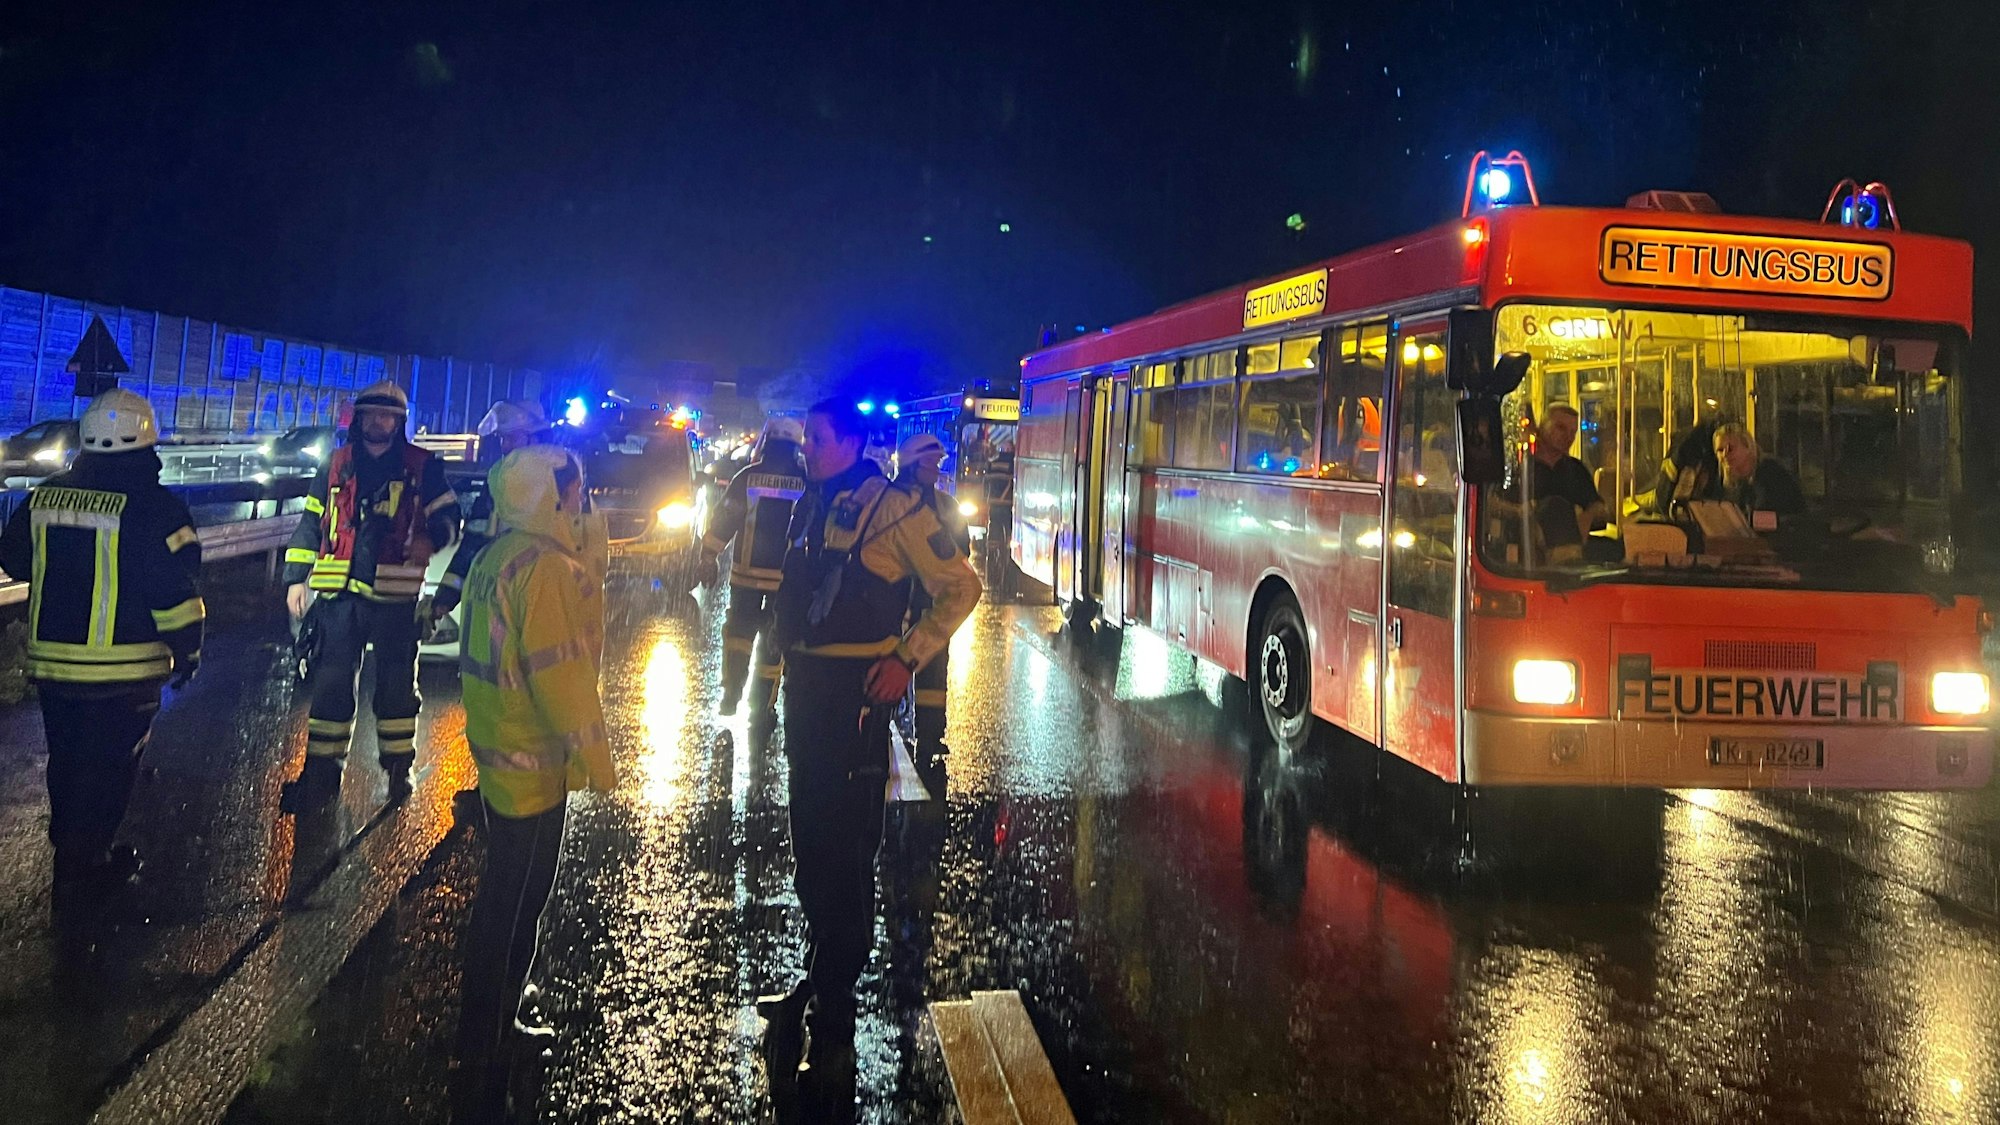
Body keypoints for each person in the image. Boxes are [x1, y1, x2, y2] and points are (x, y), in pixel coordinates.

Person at [758, 398, 981, 1118]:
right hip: (808, 694)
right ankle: (822, 977)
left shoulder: (895, 508)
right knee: (811, 846)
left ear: (851, 441)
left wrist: (906, 659)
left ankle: (836, 1021)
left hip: (855, 697)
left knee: (849, 848)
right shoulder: (809, 503)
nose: (806, 447)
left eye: (818, 437)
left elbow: (961, 586)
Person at [451, 445, 616, 1120]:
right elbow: (561, 673)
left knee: (506, 900)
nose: (581, 500)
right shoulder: (544, 567)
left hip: (501, 745)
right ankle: (486, 1042)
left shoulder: (500, 554)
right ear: (549, 495)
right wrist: (598, 760)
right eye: (574, 490)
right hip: (531, 758)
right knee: (515, 905)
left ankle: (487, 1030)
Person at [0, 390, 203, 903]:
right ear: (147, 438)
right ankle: (93, 860)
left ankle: (69, 855)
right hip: (125, 670)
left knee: (67, 762)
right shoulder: (157, 507)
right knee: (112, 766)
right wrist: (188, 650)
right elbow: (177, 585)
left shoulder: (44, 496)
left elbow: (16, 562)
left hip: (53, 669)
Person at [280, 380, 460, 809]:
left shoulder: (422, 467)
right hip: (339, 598)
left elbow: (451, 519)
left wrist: (430, 541)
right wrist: (295, 577)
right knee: (329, 690)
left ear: (399, 422)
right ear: (359, 418)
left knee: (397, 689)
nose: (379, 422)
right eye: (371, 414)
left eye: (388, 416)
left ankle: (399, 771)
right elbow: (311, 523)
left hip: (394, 599)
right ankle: (321, 780)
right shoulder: (336, 464)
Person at [431, 399, 607, 649]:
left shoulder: (564, 477)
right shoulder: (500, 479)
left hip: (550, 603)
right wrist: (445, 598)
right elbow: (473, 543)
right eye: (503, 439)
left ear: (536, 438)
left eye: (512, 438)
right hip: (505, 603)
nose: (505, 446)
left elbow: (585, 553)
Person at [694, 416, 807, 723]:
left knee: (737, 637)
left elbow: (725, 520)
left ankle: (731, 694)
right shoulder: (807, 482)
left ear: (766, 442)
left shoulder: (746, 477)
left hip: (745, 577)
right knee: (775, 641)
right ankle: (763, 705)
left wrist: (709, 556)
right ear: (797, 446)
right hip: (786, 581)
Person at [892, 431, 968, 800]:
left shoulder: (946, 506)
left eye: (937, 465)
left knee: (933, 676)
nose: (935, 472)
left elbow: (962, 552)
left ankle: (932, 736)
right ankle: (879, 727)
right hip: (889, 605)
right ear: (910, 466)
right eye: (929, 465)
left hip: (929, 605)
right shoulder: (888, 504)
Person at [1509, 403, 1607, 559]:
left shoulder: (1576, 469)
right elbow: (1497, 505)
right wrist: (1523, 512)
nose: (1568, 437)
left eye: (1573, 432)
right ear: (1542, 425)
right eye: (1560, 428)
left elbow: (1598, 505)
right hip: (1530, 554)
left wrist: (1587, 516)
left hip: (1575, 549)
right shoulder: (1521, 469)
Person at [1711, 421, 1806, 516]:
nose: (1724, 455)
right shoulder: (1723, 482)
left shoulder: (1771, 473)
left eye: (1730, 448)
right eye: (1720, 450)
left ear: (1747, 446)